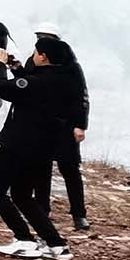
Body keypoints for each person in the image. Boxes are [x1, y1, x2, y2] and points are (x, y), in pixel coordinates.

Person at [0, 37, 83, 260]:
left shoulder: (40, 83)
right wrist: (15, 67)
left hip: (20, 143)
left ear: (43, 57)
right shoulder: (63, 79)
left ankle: (24, 239)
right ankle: (57, 245)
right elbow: (29, 86)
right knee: (22, 195)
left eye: (36, 53)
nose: (34, 55)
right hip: (43, 146)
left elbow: (2, 87)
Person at [34, 23, 91, 231]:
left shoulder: (71, 66)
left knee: (70, 169)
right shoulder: (37, 60)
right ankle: (42, 209)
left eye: (46, 37)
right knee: (41, 168)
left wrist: (80, 125)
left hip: (66, 126)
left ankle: (79, 214)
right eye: (39, 37)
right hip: (41, 125)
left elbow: (81, 97)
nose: (41, 41)